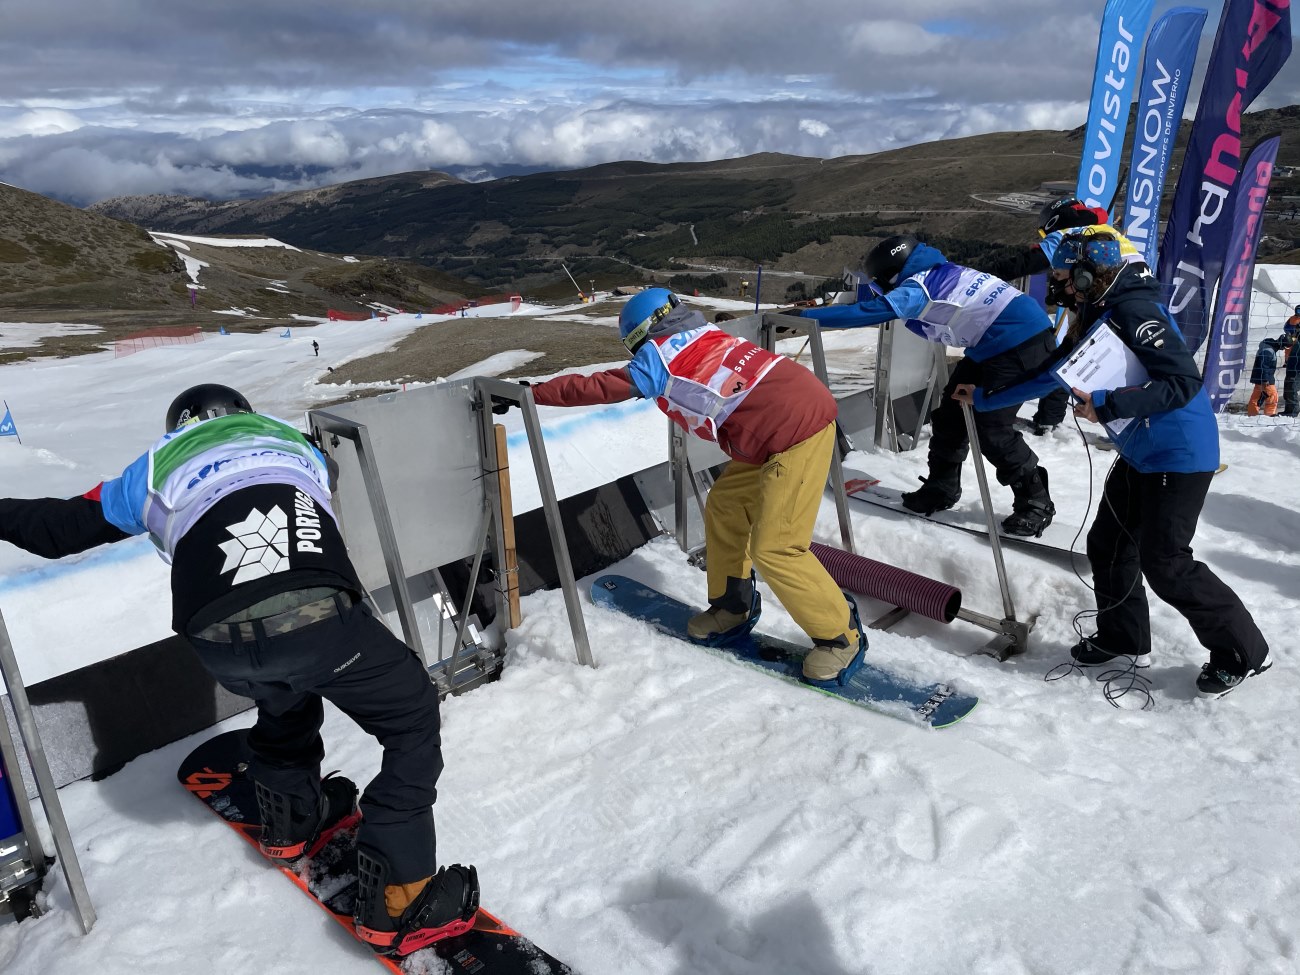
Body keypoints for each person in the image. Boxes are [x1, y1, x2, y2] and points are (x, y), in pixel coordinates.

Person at [0, 384, 478, 955]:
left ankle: (292, 820)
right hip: (318, 615)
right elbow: (321, 482)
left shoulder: (153, 466)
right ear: (243, 415)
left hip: (213, 638)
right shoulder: (290, 440)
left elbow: (58, 531)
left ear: (178, 425)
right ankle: (398, 899)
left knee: (280, 688)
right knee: (410, 716)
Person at [505, 288, 866, 686]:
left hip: (797, 433)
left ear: (640, 336)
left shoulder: (661, 358)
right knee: (726, 506)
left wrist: (532, 393)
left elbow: (600, 387)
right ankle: (733, 607)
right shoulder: (703, 332)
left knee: (776, 547)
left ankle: (840, 637)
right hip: (774, 430)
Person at [962, 232, 1272, 696]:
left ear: (1088, 276)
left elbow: (1182, 382)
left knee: (1165, 561)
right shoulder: (1097, 311)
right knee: (1107, 544)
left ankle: (1242, 651)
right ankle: (1122, 636)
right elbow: (1054, 372)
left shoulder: (1134, 311)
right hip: (1142, 451)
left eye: (1065, 278)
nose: (1060, 286)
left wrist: (1108, 405)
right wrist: (987, 398)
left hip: (1180, 452)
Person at [788, 235, 1058, 537]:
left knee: (991, 426)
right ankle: (942, 488)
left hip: (1021, 345)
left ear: (891, 275)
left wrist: (803, 316)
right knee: (950, 415)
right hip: (994, 346)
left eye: (881, 285)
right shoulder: (941, 270)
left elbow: (866, 313)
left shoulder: (919, 287)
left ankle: (1035, 501)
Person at [1247, 335, 1284, 416]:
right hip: (1266, 379)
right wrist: (1265, 380)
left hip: (1259, 377)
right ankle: (1270, 415)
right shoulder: (1268, 351)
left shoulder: (1267, 347)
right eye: (1284, 347)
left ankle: (1252, 415)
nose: (1283, 349)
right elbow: (1264, 366)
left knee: (1256, 397)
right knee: (1272, 397)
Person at [1282, 330, 1300, 417]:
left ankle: (1293, 412)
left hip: (1297, 371)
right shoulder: (1296, 343)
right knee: (1288, 390)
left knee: (1292, 390)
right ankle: (1288, 410)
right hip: (1291, 369)